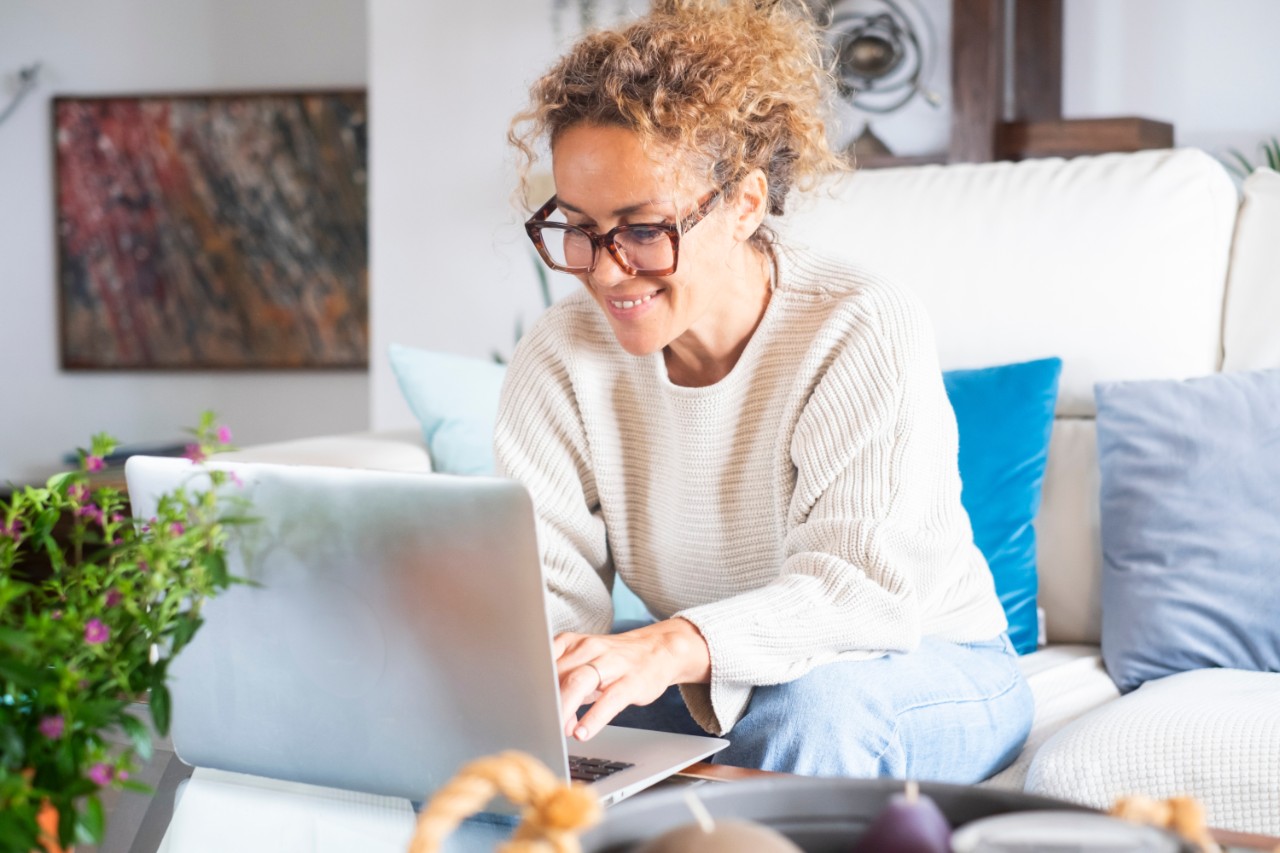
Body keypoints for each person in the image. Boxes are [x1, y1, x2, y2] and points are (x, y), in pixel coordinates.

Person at [497, 0, 1033, 782]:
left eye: (644, 230)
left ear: (745, 204)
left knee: (804, 713)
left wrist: (672, 643)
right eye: (577, 226)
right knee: (523, 718)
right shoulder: (559, 356)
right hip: (716, 669)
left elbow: (858, 592)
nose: (606, 270)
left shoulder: (856, 326)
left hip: (922, 656)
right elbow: (546, 600)